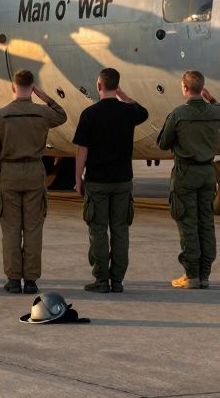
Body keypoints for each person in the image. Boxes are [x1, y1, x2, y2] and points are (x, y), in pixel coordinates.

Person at [0, 69, 67, 294]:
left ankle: (13, 280)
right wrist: (44, 97)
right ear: (32, 87)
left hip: (10, 174)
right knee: (33, 229)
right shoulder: (41, 113)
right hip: (34, 172)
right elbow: (61, 115)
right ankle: (31, 280)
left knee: (11, 229)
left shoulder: (1, 115)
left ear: (13, 87)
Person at [72, 67, 149, 294]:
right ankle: (117, 280)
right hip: (122, 180)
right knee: (120, 231)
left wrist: (78, 178)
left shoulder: (89, 114)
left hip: (97, 181)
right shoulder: (128, 112)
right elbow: (142, 111)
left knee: (98, 230)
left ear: (98, 86)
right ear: (117, 86)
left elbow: (81, 151)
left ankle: (101, 279)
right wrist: (123, 96)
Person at [156, 70, 220, 289]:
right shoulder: (214, 111)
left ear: (184, 88)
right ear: (203, 88)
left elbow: (163, 143)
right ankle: (205, 274)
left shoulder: (179, 114)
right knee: (206, 223)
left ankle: (191, 275)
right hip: (208, 172)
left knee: (188, 223)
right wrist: (212, 99)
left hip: (186, 173)